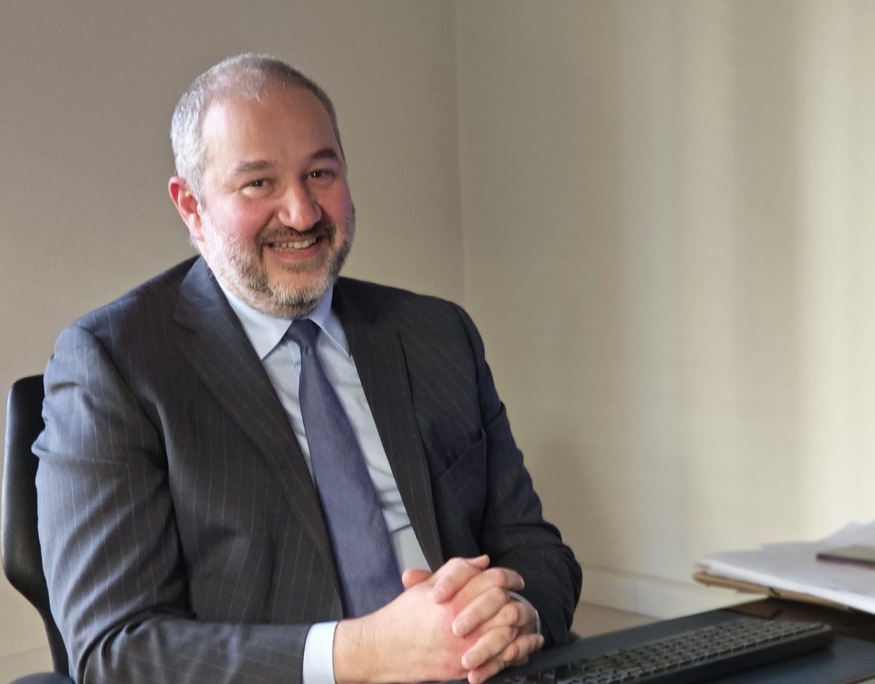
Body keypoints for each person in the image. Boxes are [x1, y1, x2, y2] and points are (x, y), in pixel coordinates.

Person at [35, 53, 582, 684]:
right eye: (258, 184)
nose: (301, 213)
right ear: (191, 207)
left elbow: (537, 552)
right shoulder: (115, 364)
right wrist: (368, 653)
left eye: (320, 173)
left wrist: (512, 614)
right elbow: (117, 649)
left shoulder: (437, 334)